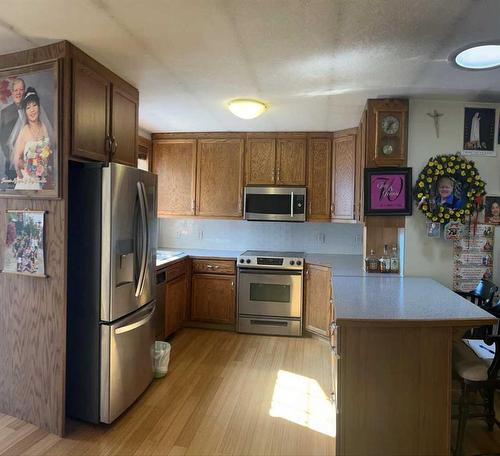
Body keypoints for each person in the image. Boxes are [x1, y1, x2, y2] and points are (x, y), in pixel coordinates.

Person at [12, 87, 53, 190]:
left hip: (43, 178)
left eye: (34, 105)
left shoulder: (44, 127)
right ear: (25, 111)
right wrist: (31, 168)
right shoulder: (24, 130)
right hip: (27, 180)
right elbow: (17, 159)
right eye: (28, 107)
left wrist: (43, 167)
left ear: (39, 107)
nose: (32, 110)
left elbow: (48, 152)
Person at [0, 78, 25, 181]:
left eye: (21, 89)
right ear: (12, 92)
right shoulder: (5, 113)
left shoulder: (31, 109)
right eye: (15, 90)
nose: (18, 93)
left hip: (30, 162)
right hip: (10, 163)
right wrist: (10, 156)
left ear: (24, 91)